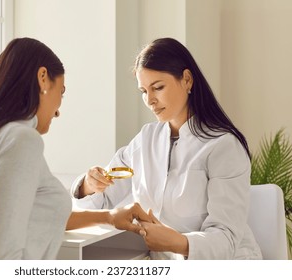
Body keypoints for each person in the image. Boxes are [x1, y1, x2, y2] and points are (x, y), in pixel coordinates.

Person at [0, 37, 150, 260]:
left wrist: (109, 217)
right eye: (62, 91)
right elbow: (0, 256)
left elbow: (28, 215)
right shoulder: (20, 140)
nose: (58, 111)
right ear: (43, 78)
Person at [70, 38, 263, 260]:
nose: (150, 100)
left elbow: (225, 239)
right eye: (143, 91)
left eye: (158, 87)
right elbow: (101, 204)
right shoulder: (145, 140)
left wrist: (178, 243)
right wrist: (89, 185)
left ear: (187, 80)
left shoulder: (223, 146)